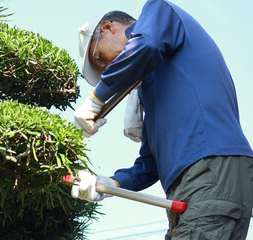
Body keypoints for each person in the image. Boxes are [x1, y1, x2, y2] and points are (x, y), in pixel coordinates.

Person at [72, 0, 253, 239]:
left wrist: (97, 97)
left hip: (211, 170)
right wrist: (108, 184)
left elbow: (147, 43)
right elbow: (149, 163)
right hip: (193, 187)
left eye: (100, 58)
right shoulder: (151, 85)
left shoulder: (159, 10)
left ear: (108, 28)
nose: (109, 68)